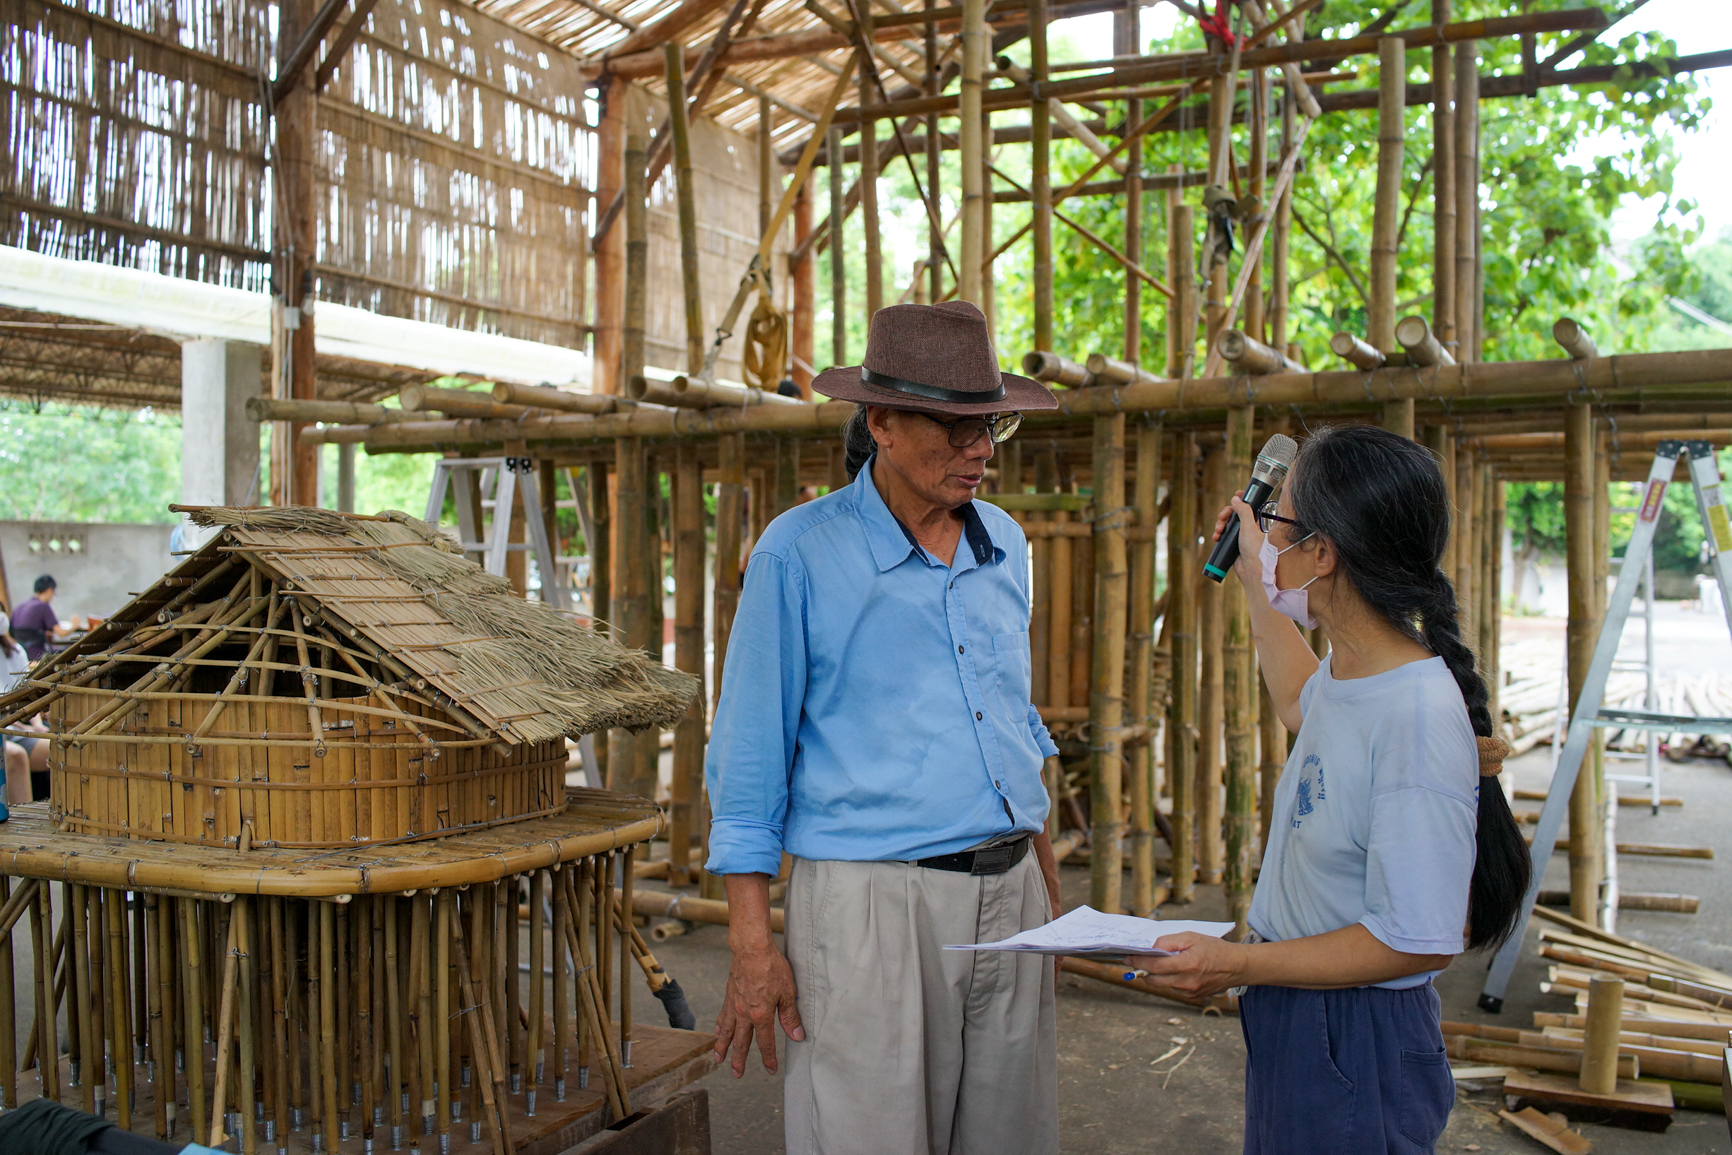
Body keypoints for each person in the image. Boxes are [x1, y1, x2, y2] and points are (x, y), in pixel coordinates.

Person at [705, 300, 1065, 1155]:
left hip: (1009, 890)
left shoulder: (1004, 544)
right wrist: (754, 948)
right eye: (953, 426)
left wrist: (1043, 875)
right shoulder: (798, 553)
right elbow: (749, 759)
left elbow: (1012, 715)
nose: (979, 450)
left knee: (1008, 1139)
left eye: (992, 425)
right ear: (883, 423)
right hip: (871, 903)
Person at [1126, 426, 1531, 1154]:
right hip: (1302, 1011)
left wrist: (1237, 962)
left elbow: (1413, 938)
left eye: (1277, 518)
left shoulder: (1411, 712)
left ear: (1322, 553)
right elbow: (1297, 699)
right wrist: (1255, 574)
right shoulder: (1355, 675)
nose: (1266, 529)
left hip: (1353, 1030)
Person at [0, 611, 33, 807]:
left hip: (13, 722)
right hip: (8, 726)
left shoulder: (16, 651)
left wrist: (35, 723)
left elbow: (26, 691)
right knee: (15, 755)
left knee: (60, 748)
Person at [11, 575, 69, 662]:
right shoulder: (43, 606)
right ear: (49, 590)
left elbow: (12, 632)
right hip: (39, 656)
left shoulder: (20, 606)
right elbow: (61, 633)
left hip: (20, 655)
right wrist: (75, 625)